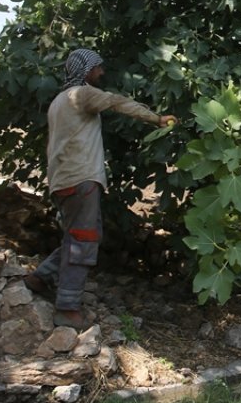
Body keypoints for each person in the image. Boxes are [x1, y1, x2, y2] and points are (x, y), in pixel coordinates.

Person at [24, 48, 175, 330]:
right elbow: (116, 102)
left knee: (78, 236)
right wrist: (157, 119)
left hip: (62, 180)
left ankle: (41, 277)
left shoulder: (58, 100)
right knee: (83, 239)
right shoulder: (81, 94)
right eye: (98, 68)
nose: (102, 73)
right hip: (81, 178)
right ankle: (67, 309)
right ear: (85, 71)